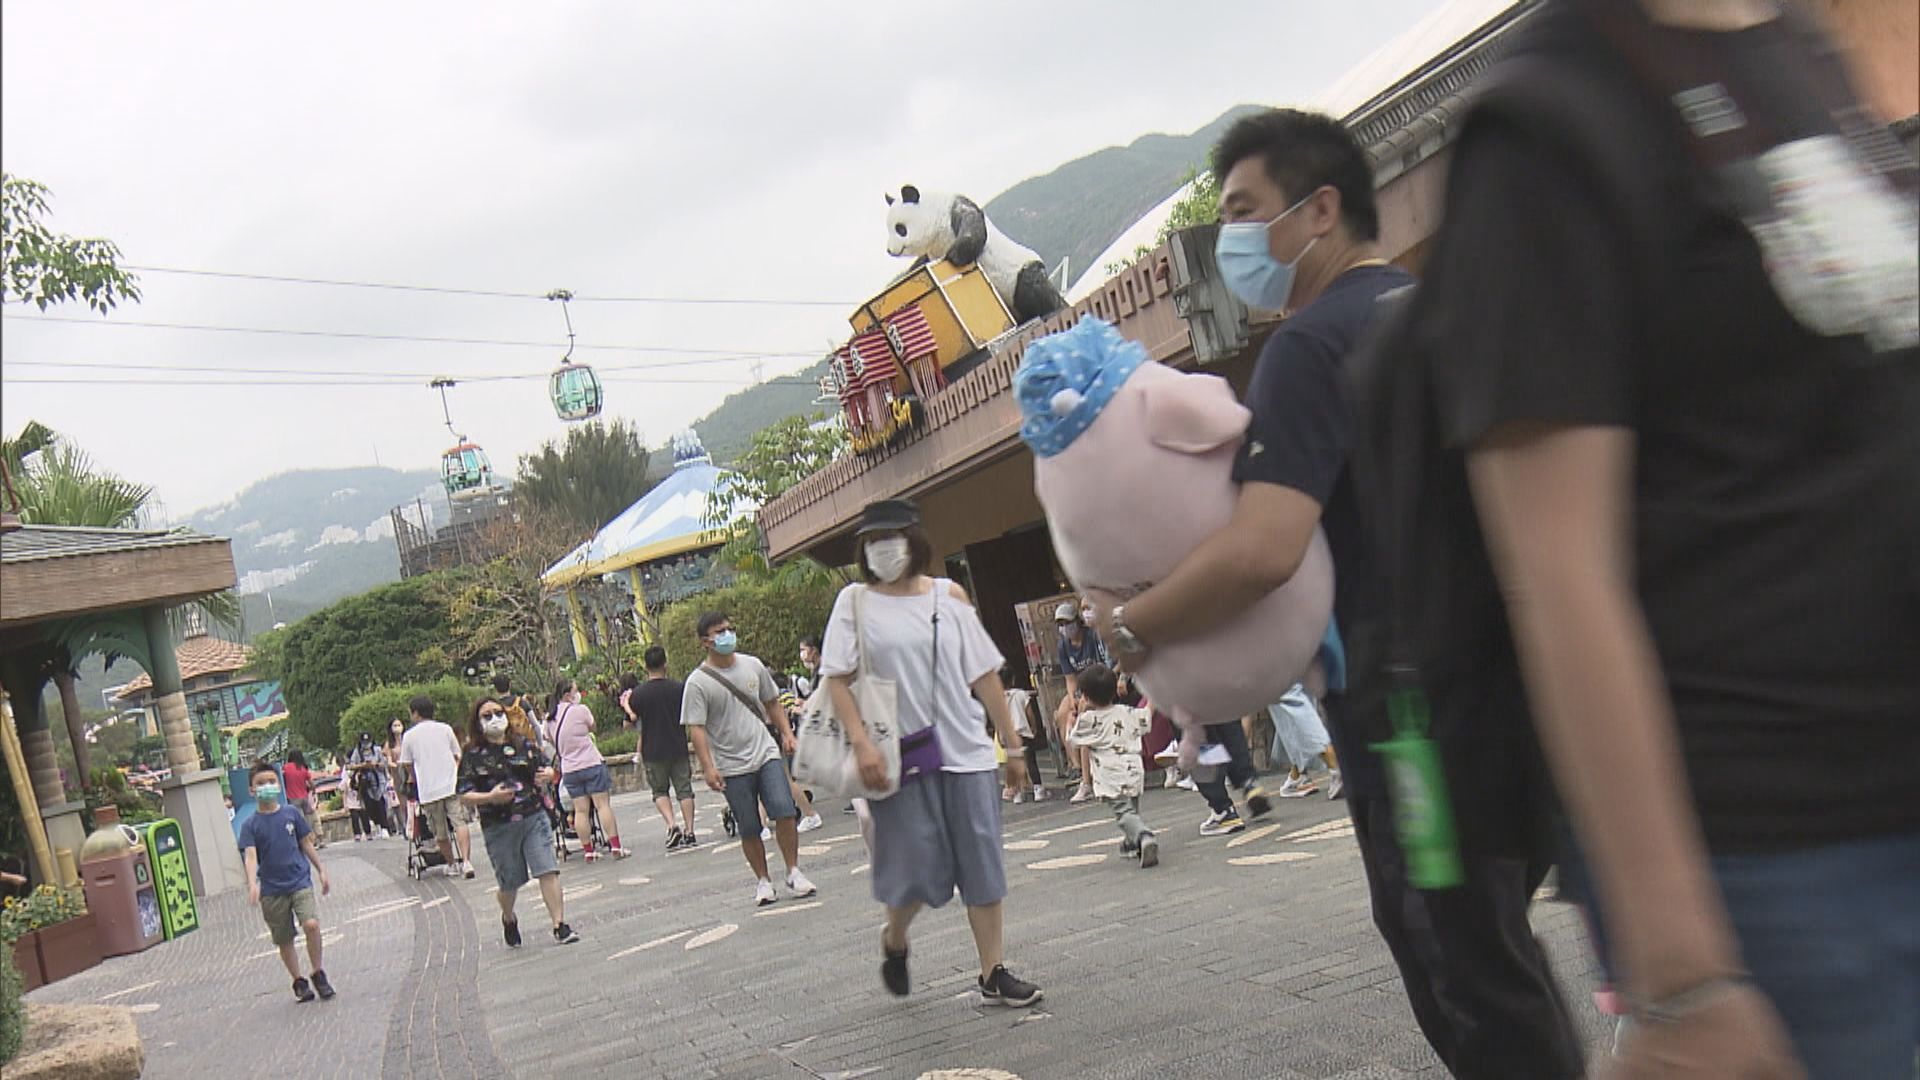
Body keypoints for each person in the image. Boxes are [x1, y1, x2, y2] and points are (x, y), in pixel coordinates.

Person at [1378, 3, 1920, 1075]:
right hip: (1779, 862)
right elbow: (1558, 575)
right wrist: (1685, 981)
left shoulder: (1797, 56)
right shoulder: (1546, 124)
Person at [1093, 107, 1583, 1076]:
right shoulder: (1433, 311)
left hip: (1410, 710)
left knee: (1456, 956)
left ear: (1321, 210)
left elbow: (1264, 548)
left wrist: (1133, 622)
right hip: (1512, 685)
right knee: (1495, 943)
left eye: (1244, 210)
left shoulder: (1310, 348)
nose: (1232, 238)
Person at [823, 498, 1041, 1007]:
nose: (884, 549)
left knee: (981, 862)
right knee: (915, 871)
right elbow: (837, 679)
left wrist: (1012, 746)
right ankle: (894, 939)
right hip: (897, 759)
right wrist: (861, 744)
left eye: (892, 537)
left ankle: (993, 971)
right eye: (873, 541)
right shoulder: (855, 602)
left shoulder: (948, 596)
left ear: (915, 539)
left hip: (963, 750)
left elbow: (983, 674)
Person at [681, 611, 817, 906]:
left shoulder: (752, 665)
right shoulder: (697, 683)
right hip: (731, 764)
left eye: (729, 629)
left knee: (784, 809)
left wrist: (786, 734)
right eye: (720, 632)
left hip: (765, 752)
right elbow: (697, 729)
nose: (727, 635)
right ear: (706, 641)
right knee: (750, 825)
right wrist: (708, 767)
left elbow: (772, 702)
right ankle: (763, 880)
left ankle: (793, 870)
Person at [457, 698, 579, 947]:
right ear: (478, 723)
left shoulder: (522, 744)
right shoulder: (472, 755)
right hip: (498, 825)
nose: (494, 719)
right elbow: (463, 794)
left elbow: (547, 769)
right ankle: (508, 917)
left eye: (497, 713)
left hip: (532, 816)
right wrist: (490, 797)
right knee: (509, 882)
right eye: (487, 715)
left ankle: (559, 924)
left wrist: (548, 775)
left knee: (547, 868)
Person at [238, 761, 335, 1003]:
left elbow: (306, 843)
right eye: (260, 784)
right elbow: (250, 856)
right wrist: (252, 883)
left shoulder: (291, 814)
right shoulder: (250, 825)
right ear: (251, 790)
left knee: (311, 924)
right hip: (272, 890)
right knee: (284, 938)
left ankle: (318, 971)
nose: (266, 787)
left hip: (299, 881)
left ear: (279, 785)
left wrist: (321, 870)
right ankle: (298, 981)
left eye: (271, 782)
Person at [1068, 664, 1158, 868]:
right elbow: (1146, 716)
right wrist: (1154, 697)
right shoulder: (1126, 711)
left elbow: (1073, 740)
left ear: (1087, 697)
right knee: (1131, 808)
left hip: (1110, 775)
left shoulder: (1088, 720)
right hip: (1133, 769)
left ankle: (1143, 836)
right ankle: (1130, 843)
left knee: (1123, 813)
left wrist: (1077, 716)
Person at [550, 679, 630, 861]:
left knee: (580, 810)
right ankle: (615, 846)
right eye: (576, 690)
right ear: (568, 694)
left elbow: (549, 739)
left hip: (569, 769)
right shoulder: (580, 710)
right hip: (590, 763)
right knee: (603, 805)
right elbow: (593, 726)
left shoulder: (551, 718)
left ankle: (588, 850)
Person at [629, 645, 698, 850]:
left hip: (653, 750)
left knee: (660, 791)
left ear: (645, 666)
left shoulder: (638, 694)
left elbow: (631, 719)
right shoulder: (678, 689)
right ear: (665, 664)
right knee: (685, 791)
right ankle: (690, 830)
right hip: (677, 746)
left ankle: (671, 824)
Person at [399, 696, 474, 879]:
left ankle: (451, 864)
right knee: (459, 822)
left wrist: (415, 777)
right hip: (451, 784)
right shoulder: (445, 729)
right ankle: (466, 861)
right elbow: (458, 754)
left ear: (415, 713)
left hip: (428, 790)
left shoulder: (409, 736)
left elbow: (407, 764)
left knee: (439, 830)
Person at [1053, 602, 1106, 802]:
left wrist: (1084, 696)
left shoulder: (1092, 637)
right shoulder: (1063, 645)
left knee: (1083, 715)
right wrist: (1074, 697)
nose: (1064, 628)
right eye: (1060, 624)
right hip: (1080, 687)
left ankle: (1087, 778)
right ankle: (1076, 766)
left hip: (1097, 682)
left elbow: (1102, 665)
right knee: (1063, 713)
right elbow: (1070, 678)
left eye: (1067, 622)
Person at [344, 732, 392, 838]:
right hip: (365, 782)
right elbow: (350, 766)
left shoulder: (378, 750)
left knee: (380, 803)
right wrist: (363, 765)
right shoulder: (357, 752)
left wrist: (376, 764)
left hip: (379, 780)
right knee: (369, 806)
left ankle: (384, 827)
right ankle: (377, 824)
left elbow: (384, 764)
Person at [281, 750, 322, 847]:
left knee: (300, 821)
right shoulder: (302, 768)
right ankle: (314, 839)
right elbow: (311, 783)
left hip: (293, 798)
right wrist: (313, 790)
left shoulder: (286, 768)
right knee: (309, 819)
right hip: (304, 797)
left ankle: (306, 842)